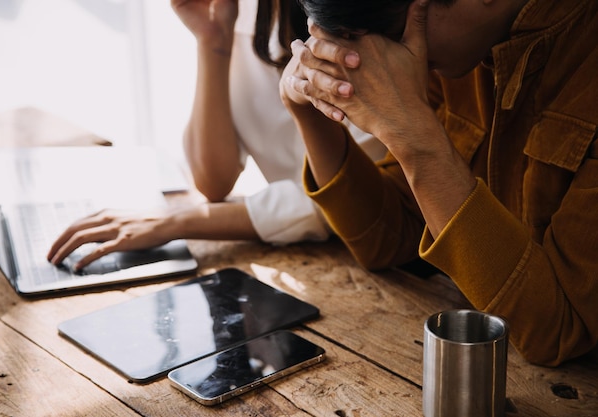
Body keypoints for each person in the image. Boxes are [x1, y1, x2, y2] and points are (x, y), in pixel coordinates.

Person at [279, 0, 598, 367]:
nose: (378, 56)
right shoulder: (460, 50)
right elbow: (390, 236)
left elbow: (558, 330)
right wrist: (308, 107)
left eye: (391, 34)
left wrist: (418, 138)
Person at [46, 0, 383, 270]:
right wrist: (213, 40)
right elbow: (213, 179)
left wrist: (178, 221)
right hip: (306, 261)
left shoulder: (357, 21)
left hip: (386, 260)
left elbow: (354, 198)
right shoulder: (244, 13)